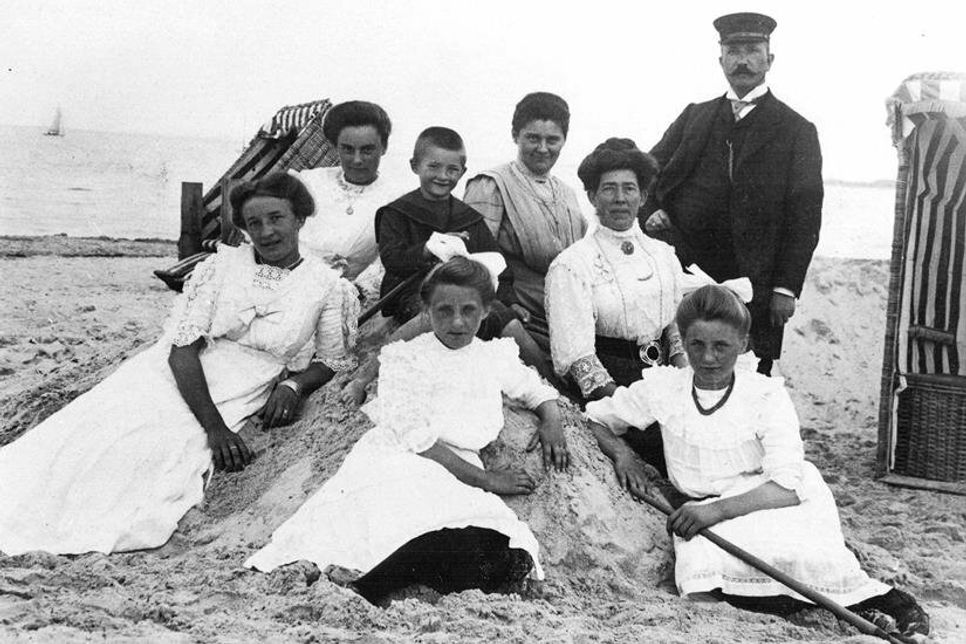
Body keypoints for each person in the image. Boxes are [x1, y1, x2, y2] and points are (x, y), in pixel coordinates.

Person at [0, 173, 359, 556]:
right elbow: (182, 350)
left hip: (240, 387)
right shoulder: (221, 267)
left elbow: (331, 359)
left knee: (155, 452)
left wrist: (294, 384)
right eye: (254, 223)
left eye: (276, 218)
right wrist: (215, 428)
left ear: (299, 219)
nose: (266, 232)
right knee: (100, 428)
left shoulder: (327, 286)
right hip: (177, 372)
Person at [584, 285, 929, 638]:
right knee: (700, 572)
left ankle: (888, 602)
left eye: (721, 346)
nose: (708, 358)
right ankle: (820, 607)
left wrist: (715, 512)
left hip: (768, 500)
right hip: (705, 509)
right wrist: (623, 454)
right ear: (683, 342)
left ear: (743, 343)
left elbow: (787, 487)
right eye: (697, 345)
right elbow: (595, 419)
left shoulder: (764, 394)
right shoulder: (666, 387)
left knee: (804, 558)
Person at [245, 257, 569, 605]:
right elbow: (417, 438)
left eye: (468, 310)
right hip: (403, 458)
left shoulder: (493, 356)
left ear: (486, 310)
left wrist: (551, 421)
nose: (457, 322)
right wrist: (486, 480)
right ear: (427, 311)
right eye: (444, 310)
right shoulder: (406, 358)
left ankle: (399, 576)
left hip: (457, 466)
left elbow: (535, 390)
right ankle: (372, 587)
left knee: (505, 548)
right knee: (410, 523)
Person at [641, 13, 823, 377]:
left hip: (754, 283)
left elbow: (805, 216)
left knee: (749, 381)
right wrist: (651, 210)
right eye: (734, 51)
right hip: (686, 273)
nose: (743, 60)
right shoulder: (695, 116)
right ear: (720, 59)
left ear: (769, 60)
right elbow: (646, 170)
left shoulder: (796, 130)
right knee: (680, 373)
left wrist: (786, 287)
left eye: (753, 50)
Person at [546, 138, 687, 404]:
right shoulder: (572, 264)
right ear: (592, 197)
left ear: (643, 197)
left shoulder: (663, 254)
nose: (620, 199)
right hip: (610, 390)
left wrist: (684, 381)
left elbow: (676, 325)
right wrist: (627, 405)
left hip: (666, 380)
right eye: (609, 189)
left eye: (629, 188)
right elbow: (578, 356)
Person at [464, 92, 587, 350]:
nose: (542, 148)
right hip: (518, 313)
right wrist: (506, 304)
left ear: (564, 140)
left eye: (552, 140)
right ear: (515, 135)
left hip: (568, 311)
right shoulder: (491, 184)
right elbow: (474, 261)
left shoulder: (568, 194)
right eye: (533, 138)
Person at [375, 126, 517, 335]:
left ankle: (540, 359)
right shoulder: (397, 213)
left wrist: (510, 302)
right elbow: (392, 260)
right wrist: (427, 249)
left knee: (507, 321)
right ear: (415, 165)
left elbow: (497, 264)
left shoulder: (468, 218)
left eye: (452, 169)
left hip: (467, 294)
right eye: (433, 166)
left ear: (463, 172)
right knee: (438, 315)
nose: (443, 176)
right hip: (413, 293)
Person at [290, 100, 402, 282]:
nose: (357, 160)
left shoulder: (395, 201)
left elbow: (388, 264)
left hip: (341, 291)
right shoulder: (309, 181)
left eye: (367, 150)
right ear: (336, 147)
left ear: (384, 148)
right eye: (348, 149)